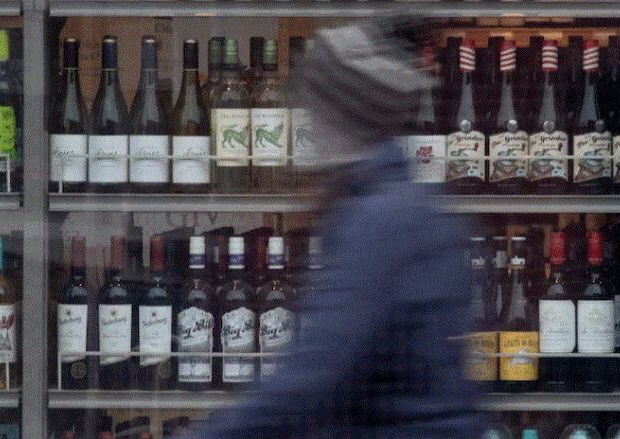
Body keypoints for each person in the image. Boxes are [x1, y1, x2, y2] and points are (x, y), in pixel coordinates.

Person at [199, 18, 483, 439]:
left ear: (338, 118)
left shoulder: (380, 220)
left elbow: (308, 380)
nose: (308, 125)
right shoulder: (411, 204)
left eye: (312, 110)